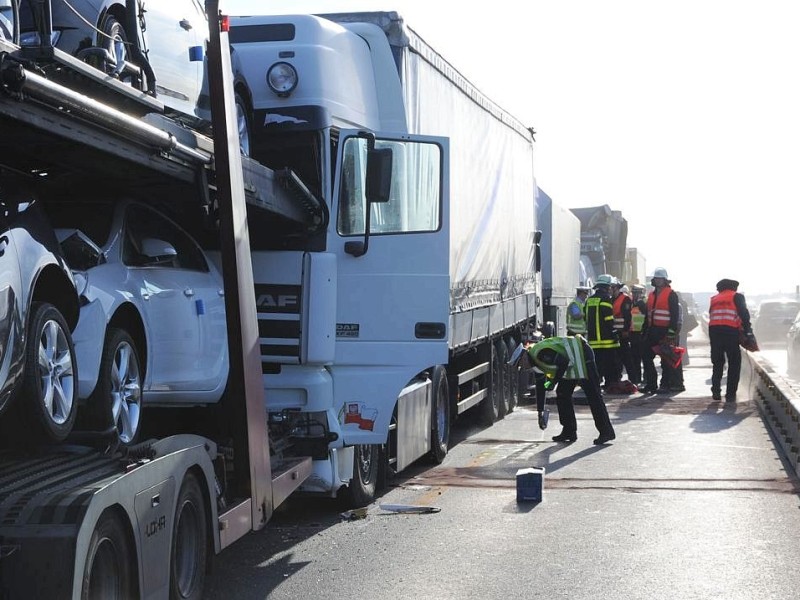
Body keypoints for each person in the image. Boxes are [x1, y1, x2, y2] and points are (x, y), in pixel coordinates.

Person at [517, 335, 615, 445]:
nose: (523, 368)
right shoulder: (535, 362)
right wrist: (540, 412)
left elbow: (562, 362)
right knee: (562, 394)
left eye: (521, 364)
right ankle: (569, 431)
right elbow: (541, 387)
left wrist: (553, 382)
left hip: (582, 355)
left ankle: (606, 432)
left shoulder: (540, 353)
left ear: (524, 356)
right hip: (572, 364)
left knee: (594, 395)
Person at [708, 278, 754, 401]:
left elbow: (712, 315)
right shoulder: (737, 296)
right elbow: (744, 314)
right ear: (733, 287)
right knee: (734, 363)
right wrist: (748, 332)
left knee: (717, 362)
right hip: (730, 333)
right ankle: (730, 394)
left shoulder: (714, 299)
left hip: (715, 333)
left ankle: (716, 390)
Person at [642, 268, 680, 394]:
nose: (658, 281)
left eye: (660, 279)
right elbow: (648, 314)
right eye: (656, 278)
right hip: (652, 330)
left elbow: (674, 315)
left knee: (666, 359)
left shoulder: (671, 294)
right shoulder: (651, 295)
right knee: (646, 356)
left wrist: (671, 332)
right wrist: (644, 329)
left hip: (664, 331)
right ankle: (651, 384)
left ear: (665, 280)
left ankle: (665, 384)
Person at [585, 274, 620, 390]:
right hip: (607, 340)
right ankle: (610, 384)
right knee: (610, 364)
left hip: (593, 340)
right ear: (607, 287)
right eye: (610, 287)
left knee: (596, 364)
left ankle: (595, 384)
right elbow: (609, 319)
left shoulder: (589, 300)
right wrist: (614, 333)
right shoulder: (606, 299)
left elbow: (586, 317)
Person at [611, 282, 634, 389]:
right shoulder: (610, 299)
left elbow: (628, 316)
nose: (610, 290)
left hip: (623, 333)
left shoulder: (625, 299)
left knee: (627, 357)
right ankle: (616, 378)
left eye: (612, 288)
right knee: (616, 358)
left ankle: (633, 378)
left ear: (617, 288)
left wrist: (626, 330)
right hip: (614, 333)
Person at [628, 284, 648, 384]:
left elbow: (646, 319)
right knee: (635, 358)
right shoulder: (632, 303)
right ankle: (636, 379)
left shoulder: (643, 304)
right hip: (633, 334)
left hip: (641, 334)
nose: (634, 295)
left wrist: (644, 332)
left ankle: (645, 378)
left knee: (643, 357)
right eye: (633, 293)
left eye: (636, 293)